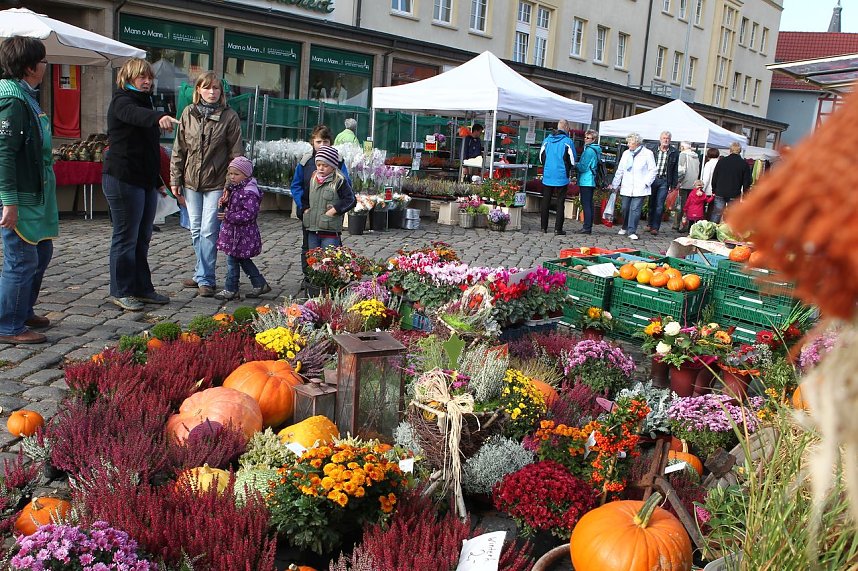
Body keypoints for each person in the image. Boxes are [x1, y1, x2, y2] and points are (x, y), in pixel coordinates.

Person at [102, 57, 179, 312]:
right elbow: (135, 116)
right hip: (123, 179)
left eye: (149, 77)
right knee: (125, 237)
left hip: (144, 180)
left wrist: (157, 179)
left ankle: (142, 288)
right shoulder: (122, 100)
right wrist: (158, 118)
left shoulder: (145, 100)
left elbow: (149, 149)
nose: (147, 81)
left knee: (142, 237)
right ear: (128, 78)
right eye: (141, 77)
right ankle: (121, 291)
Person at [0, 37, 57, 344]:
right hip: (19, 196)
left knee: (41, 251)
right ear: (29, 67)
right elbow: (4, 153)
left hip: (36, 193)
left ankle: (22, 310)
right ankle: (7, 324)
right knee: (21, 260)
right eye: (44, 61)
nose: (46, 66)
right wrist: (8, 202)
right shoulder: (12, 100)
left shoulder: (26, 95)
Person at [170, 71, 243, 298]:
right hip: (191, 180)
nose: (212, 92)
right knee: (195, 230)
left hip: (217, 181)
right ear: (198, 90)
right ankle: (201, 272)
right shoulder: (188, 113)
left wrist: (230, 185)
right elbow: (178, 149)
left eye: (216, 88)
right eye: (207, 88)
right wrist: (175, 179)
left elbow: (236, 154)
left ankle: (206, 279)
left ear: (221, 92)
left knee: (208, 230)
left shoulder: (229, 116)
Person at [291, 125, 351, 279]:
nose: (322, 145)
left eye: (326, 141)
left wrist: (335, 209)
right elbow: (296, 186)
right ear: (313, 142)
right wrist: (303, 207)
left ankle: (331, 279)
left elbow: (346, 188)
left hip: (328, 216)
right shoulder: (305, 162)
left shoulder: (337, 161)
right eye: (319, 142)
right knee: (308, 247)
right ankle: (309, 278)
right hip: (309, 213)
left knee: (331, 250)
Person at [214, 156, 270, 301]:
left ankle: (231, 288)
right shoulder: (235, 189)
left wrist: (228, 215)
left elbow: (249, 214)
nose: (232, 177)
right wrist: (225, 203)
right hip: (234, 234)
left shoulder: (249, 192)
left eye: (236, 174)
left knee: (233, 261)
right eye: (230, 173)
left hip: (242, 235)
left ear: (246, 175)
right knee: (241, 260)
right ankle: (259, 283)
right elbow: (235, 206)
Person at [302, 145, 356, 250]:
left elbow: (350, 200)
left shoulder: (339, 180)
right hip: (312, 229)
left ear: (333, 166)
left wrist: (334, 210)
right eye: (318, 165)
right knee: (313, 261)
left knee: (328, 261)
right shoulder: (313, 178)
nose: (321, 168)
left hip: (330, 231)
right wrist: (305, 209)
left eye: (325, 165)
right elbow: (305, 197)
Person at [610, 132, 656, 241]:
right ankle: (625, 226)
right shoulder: (626, 153)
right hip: (627, 186)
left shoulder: (647, 153)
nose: (628, 144)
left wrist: (646, 183)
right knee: (625, 208)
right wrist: (615, 184)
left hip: (640, 187)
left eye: (630, 142)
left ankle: (632, 230)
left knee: (635, 209)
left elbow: (653, 170)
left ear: (636, 143)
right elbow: (620, 170)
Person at [539, 119, 577, 235]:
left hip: (548, 175)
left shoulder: (547, 140)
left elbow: (541, 158)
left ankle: (543, 227)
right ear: (566, 128)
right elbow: (573, 160)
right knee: (560, 203)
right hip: (561, 176)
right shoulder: (568, 141)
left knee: (546, 201)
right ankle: (558, 229)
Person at [645, 130, 678, 235]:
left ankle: (655, 227)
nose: (666, 140)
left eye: (668, 138)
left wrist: (673, 184)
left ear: (670, 140)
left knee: (659, 205)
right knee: (651, 203)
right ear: (660, 139)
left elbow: (675, 169)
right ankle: (649, 224)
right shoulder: (653, 150)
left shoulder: (673, 152)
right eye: (664, 138)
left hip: (664, 180)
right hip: (653, 179)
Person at [709, 142, 752, 223]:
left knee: (717, 213)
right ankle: (727, 233)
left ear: (730, 150)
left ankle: (711, 232)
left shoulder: (722, 161)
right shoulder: (744, 164)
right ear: (740, 151)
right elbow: (746, 181)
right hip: (734, 193)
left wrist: (714, 190)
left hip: (720, 191)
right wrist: (745, 194)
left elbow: (715, 177)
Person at [575, 129, 601, 235]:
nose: (585, 139)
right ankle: (588, 226)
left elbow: (583, 167)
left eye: (588, 138)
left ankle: (587, 227)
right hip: (591, 179)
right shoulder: (596, 149)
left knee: (586, 204)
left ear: (593, 139)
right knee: (589, 203)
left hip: (587, 180)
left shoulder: (589, 150)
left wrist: (575, 164)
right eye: (585, 137)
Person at [675, 141, 700, 232]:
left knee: (681, 206)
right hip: (693, 184)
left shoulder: (683, 154)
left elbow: (681, 170)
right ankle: (688, 225)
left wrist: (678, 181)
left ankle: (679, 224)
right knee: (690, 206)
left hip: (684, 183)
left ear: (682, 147)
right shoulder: (696, 156)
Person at [700, 147, 720, 220]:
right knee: (712, 210)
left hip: (708, 189)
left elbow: (706, 178)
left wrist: (702, 189)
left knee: (703, 209)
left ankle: (703, 223)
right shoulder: (720, 163)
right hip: (717, 190)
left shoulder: (708, 164)